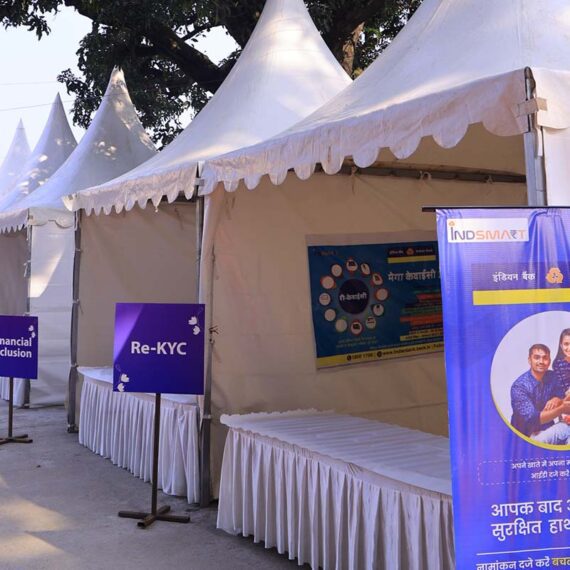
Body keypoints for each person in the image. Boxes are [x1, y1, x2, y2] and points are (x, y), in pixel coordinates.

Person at [510, 344, 570, 445]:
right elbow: (533, 419)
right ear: (529, 360)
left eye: (545, 358)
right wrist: (561, 408)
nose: (541, 361)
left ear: (549, 361)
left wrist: (557, 399)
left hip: (549, 430)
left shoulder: (552, 376)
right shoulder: (519, 386)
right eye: (537, 357)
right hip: (525, 438)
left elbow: (562, 396)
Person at [552, 329, 570, 418]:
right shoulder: (558, 364)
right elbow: (563, 390)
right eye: (566, 344)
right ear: (561, 345)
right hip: (566, 404)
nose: (569, 348)